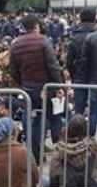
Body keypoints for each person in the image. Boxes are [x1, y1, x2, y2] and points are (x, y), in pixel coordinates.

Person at [7, 14, 63, 163]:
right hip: (46, 88)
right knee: (55, 119)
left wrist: (23, 83)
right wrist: (59, 86)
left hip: (27, 89)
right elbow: (53, 66)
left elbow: (12, 70)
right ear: (37, 25)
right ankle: (61, 154)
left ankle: (36, 156)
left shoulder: (15, 43)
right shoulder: (43, 41)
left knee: (32, 121)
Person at [65, 9, 96, 116]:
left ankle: (78, 130)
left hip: (79, 75)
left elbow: (69, 60)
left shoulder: (74, 36)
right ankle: (94, 132)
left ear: (80, 19)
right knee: (95, 109)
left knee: (79, 108)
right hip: (96, 76)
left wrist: (74, 75)